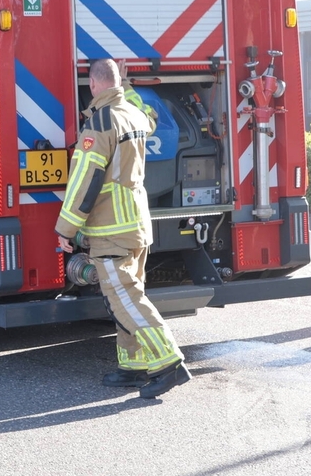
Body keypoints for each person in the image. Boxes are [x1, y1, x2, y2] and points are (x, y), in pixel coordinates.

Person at [55, 58, 191, 399]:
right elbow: (153, 115)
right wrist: (128, 88)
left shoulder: (100, 123)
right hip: (137, 223)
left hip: (112, 228)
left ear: (93, 84)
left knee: (125, 298)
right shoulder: (133, 113)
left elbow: (85, 180)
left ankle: (168, 362)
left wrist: (66, 229)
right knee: (129, 294)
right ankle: (133, 365)